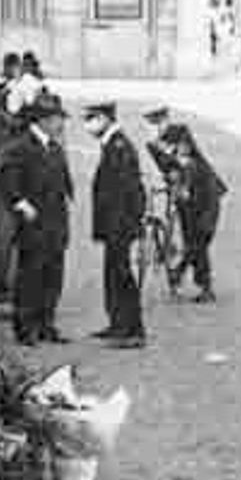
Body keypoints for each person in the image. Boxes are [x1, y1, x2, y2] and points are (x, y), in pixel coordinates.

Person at [0, 95, 74, 345]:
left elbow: (63, 184)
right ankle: (25, 328)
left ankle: (46, 324)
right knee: (30, 275)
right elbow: (6, 179)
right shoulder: (20, 147)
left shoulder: (55, 147)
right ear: (42, 120)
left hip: (55, 222)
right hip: (33, 223)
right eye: (57, 119)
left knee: (53, 275)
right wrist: (19, 202)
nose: (60, 124)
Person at [82, 101, 147, 348]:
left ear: (106, 118)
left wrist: (120, 226)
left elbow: (125, 191)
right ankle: (118, 323)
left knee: (121, 276)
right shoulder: (112, 144)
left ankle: (130, 330)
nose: (88, 125)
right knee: (114, 274)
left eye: (92, 118)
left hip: (119, 224)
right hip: (116, 224)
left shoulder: (119, 147)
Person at [160, 123, 228, 303]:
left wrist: (179, 188)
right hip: (193, 209)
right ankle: (201, 285)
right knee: (196, 247)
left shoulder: (194, 164)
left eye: (171, 145)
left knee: (197, 246)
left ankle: (187, 278)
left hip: (205, 210)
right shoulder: (183, 161)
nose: (169, 150)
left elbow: (190, 190)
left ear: (183, 145)